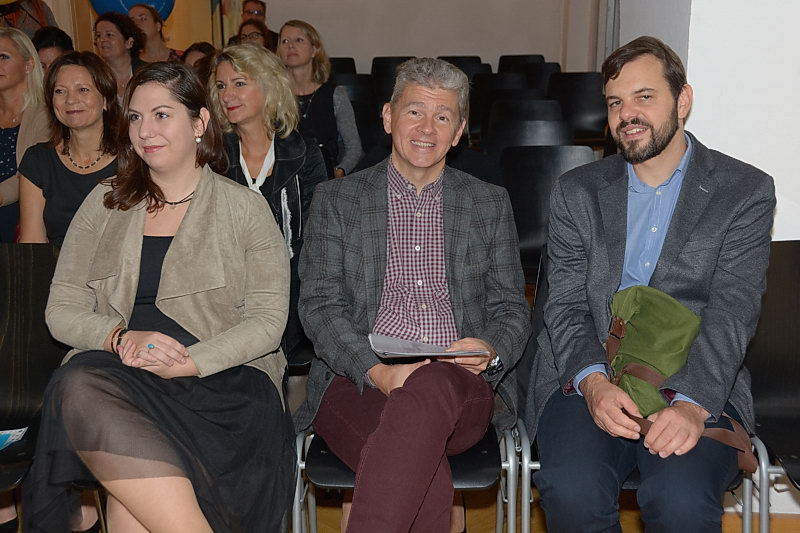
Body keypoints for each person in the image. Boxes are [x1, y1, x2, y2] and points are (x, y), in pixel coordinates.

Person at [22, 61, 295, 533]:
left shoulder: (245, 208)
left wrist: (189, 361)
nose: (145, 130)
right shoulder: (104, 202)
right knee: (78, 382)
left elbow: (268, 322)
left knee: (130, 504)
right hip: (123, 371)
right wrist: (119, 337)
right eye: (135, 117)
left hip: (224, 384)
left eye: (162, 115)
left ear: (200, 122)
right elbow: (61, 309)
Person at [521, 36, 776, 532]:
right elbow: (566, 304)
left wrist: (693, 404)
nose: (627, 115)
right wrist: (593, 383)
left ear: (682, 100)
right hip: (594, 371)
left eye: (644, 97)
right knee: (572, 490)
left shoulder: (743, 191)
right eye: (615, 102)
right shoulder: (578, 192)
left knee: (680, 499)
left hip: (696, 376)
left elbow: (732, 312)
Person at [294, 57, 531, 532]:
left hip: (458, 379)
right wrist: (379, 372)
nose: (427, 128)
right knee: (416, 466)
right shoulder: (337, 200)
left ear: (459, 131)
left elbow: (510, 306)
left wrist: (490, 349)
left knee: (430, 388)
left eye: (442, 116)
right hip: (357, 375)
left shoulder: (488, 202)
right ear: (388, 117)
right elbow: (319, 305)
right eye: (414, 111)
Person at [209, 44, 327, 365]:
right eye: (221, 86)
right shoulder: (212, 157)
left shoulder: (305, 153)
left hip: (292, 289)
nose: (227, 95)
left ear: (269, 85)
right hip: (229, 292)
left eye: (239, 83)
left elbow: (316, 239)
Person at [18, 51, 119, 246]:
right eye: (60, 91)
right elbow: (33, 242)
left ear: (105, 99)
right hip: (56, 264)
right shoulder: (38, 161)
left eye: (83, 89)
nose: (71, 100)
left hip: (123, 264)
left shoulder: (134, 159)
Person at [278, 19, 363, 177]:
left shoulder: (335, 95)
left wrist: (339, 171)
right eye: (285, 41)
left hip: (327, 176)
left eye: (299, 40)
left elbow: (354, 148)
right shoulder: (274, 96)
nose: (290, 45)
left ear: (314, 50)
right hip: (286, 176)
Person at [0, 27, 48, 243]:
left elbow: (34, 174)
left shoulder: (45, 116)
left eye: (3, 57)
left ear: (28, 65)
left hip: (23, 218)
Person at [93, 11, 146, 99]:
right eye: (98, 35)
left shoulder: (146, 73)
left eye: (109, 35)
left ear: (129, 42)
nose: (102, 39)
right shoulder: (94, 76)